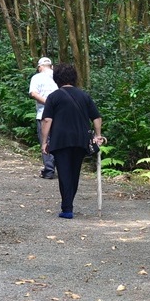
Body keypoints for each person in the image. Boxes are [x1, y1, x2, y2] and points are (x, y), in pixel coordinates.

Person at [40, 63, 104, 219]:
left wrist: (44, 141)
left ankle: (67, 208)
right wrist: (98, 135)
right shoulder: (84, 96)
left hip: (60, 140)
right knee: (74, 173)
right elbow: (96, 117)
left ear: (57, 79)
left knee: (64, 172)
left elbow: (47, 120)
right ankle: (68, 205)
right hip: (81, 139)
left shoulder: (53, 97)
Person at [29, 57, 58, 179]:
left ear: (39, 67)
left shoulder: (37, 77)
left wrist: (48, 102)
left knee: (45, 141)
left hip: (43, 113)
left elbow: (33, 93)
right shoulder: (58, 76)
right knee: (58, 140)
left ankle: (49, 170)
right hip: (59, 113)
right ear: (51, 66)